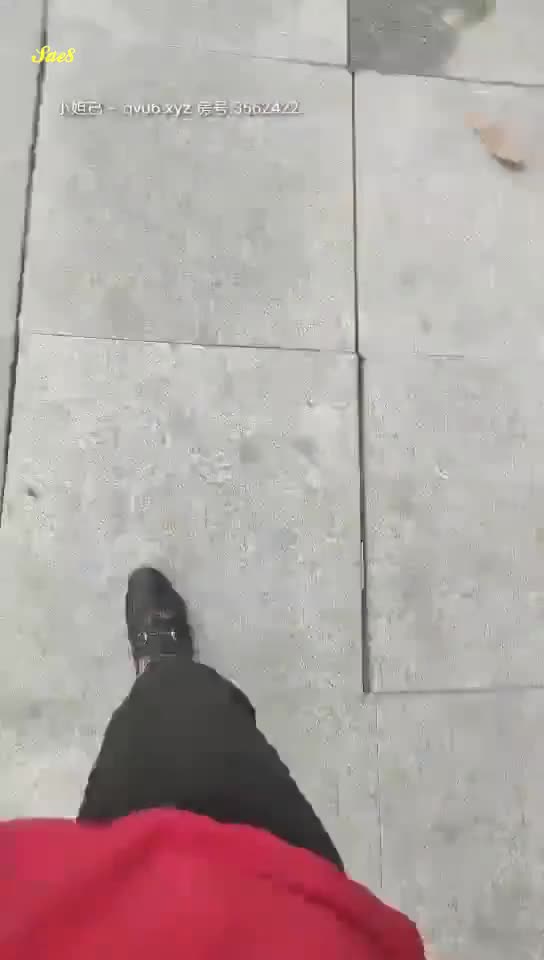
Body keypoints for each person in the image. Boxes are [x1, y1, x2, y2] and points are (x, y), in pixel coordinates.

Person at [0, 567, 425, 959]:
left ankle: (162, 674)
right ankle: (166, 674)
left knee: (159, 730)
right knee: (185, 717)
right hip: (288, 921)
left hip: (92, 909)